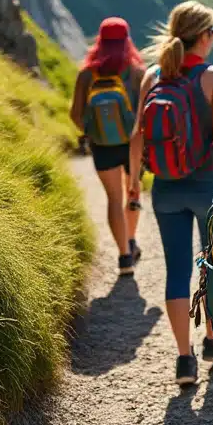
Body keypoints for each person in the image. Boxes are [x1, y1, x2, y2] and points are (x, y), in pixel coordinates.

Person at [128, 0, 213, 386]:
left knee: (176, 272)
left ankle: (183, 360)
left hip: (166, 191)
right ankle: (212, 342)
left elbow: (138, 137)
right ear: (203, 36)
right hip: (210, 189)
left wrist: (132, 185)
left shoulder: (154, 75)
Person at [69, 17, 146, 276]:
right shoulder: (136, 73)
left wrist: (94, 132)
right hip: (133, 144)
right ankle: (132, 239)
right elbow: (146, 113)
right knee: (132, 191)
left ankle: (124, 256)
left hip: (103, 146)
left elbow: (75, 114)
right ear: (127, 40)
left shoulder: (87, 74)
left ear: (99, 41)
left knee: (114, 198)